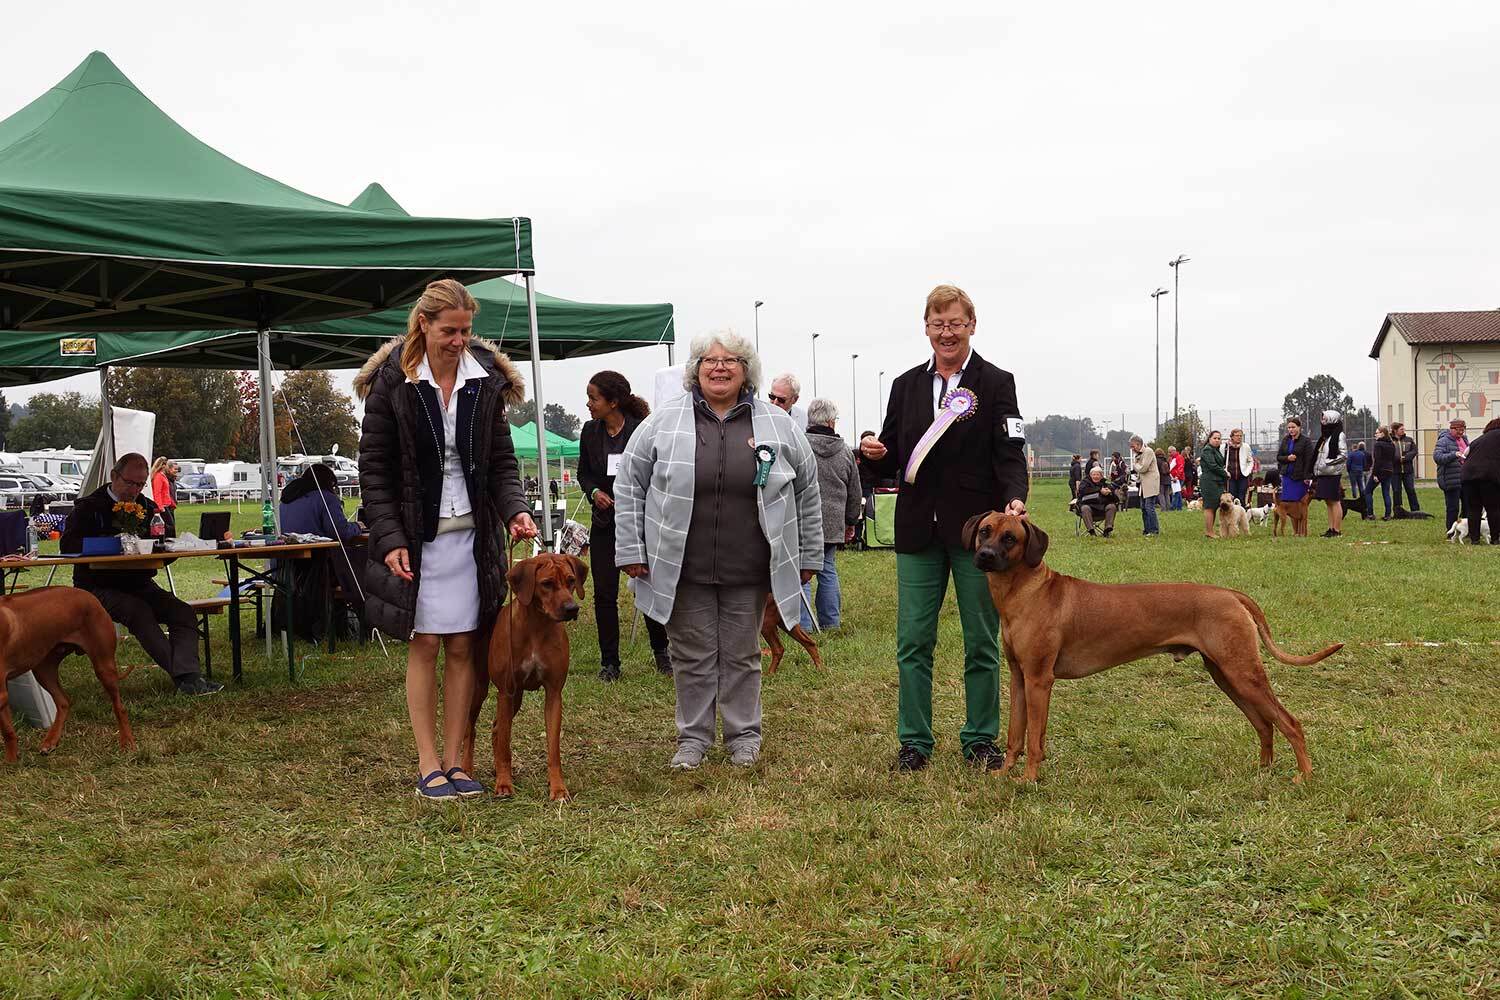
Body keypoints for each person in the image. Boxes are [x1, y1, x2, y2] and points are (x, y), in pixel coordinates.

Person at [355, 279, 538, 802]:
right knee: (426, 642)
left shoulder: (484, 381)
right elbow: (375, 471)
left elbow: (502, 461)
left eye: (466, 330)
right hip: (417, 538)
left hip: (472, 537)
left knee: (463, 645)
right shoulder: (394, 382)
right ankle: (428, 763)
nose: (460, 341)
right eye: (449, 331)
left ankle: (457, 760)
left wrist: (516, 511)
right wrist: (389, 537)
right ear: (424, 325)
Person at [615, 331, 821, 771]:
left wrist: (808, 555)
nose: (719, 367)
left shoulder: (778, 423)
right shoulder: (662, 421)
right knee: (691, 656)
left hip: (749, 566)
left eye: (731, 360)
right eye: (709, 360)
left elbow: (807, 489)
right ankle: (693, 740)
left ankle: (744, 737)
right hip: (680, 564)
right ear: (696, 369)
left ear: (747, 370)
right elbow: (629, 483)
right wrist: (630, 547)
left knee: (743, 654)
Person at [858, 284, 1028, 772]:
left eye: (955, 322)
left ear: (972, 324)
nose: (946, 332)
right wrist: (874, 452)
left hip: (979, 537)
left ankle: (979, 739)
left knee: (981, 640)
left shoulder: (997, 382)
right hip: (917, 531)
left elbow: (1009, 451)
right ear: (926, 328)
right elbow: (891, 453)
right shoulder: (905, 385)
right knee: (913, 641)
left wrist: (1015, 499)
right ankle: (914, 742)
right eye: (938, 324)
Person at [60, 453, 221, 695]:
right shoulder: (89, 507)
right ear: (114, 476)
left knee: (182, 612)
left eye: (140, 484)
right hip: (96, 586)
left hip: (139, 584)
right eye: (130, 483)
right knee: (138, 611)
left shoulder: (147, 507)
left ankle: (188, 677)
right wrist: (108, 544)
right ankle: (188, 679)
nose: (135, 490)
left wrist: (165, 548)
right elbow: (68, 545)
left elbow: (166, 542)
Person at [577, 370, 671, 682]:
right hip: (605, 526)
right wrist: (594, 493)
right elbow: (584, 474)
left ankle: (662, 653)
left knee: (648, 587)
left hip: (640, 524)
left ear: (613, 402)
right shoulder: (590, 432)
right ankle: (610, 663)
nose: (589, 403)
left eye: (594, 398)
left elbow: (657, 473)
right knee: (604, 594)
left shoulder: (642, 431)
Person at [277, 464, 366, 641]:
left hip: (290, 567)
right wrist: (358, 526)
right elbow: (340, 532)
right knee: (364, 563)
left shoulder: (286, 500)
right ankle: (362, 623)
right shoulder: (325, 498)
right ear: (329, 482)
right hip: (321, 567)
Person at [798, 399, 861, 630]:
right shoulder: (845, 451)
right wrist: (851, 521)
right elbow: (855, 490)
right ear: (831, 421)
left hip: (803, 520)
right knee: (827, 569)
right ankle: (830, 624)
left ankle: (803, 626)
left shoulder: (799, 445)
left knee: (801, 573)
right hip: (833, 523)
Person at [1460, 417, 1500, 544]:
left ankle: (1475, 540)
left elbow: (1465, 453)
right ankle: (1495, 539)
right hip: (1488, 475)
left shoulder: (1479, 439)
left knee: (1473, 508)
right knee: (1493, 508)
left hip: (1468, 475)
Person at [1311, 411, 1347, 538]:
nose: (1322, 421)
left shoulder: (1339, 435)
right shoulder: (1325, 437)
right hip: (1323, 473)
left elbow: (1343, 455)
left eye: (1325, 419)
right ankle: (1331, 528)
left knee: (1335, 501)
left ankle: (1337, 530)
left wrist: (1329, 462)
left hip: (1332, 473)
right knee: (1328, 502)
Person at [1433, 418, 1470, 532]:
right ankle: (1451, 531)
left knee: (1467, 506)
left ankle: (1465, 529)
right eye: (1458, 430)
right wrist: (1454, 454)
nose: (1461, 432)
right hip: (1450, 479)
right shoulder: (1443, 441)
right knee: (1453, 508)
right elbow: (1437, 457)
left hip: (1464, 477)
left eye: (1463, 430)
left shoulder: (1464, 439)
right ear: (1452, 429)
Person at [1278, 417, 1315, 507]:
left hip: (1300, 478)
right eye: (1289, 428)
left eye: (1293, 427)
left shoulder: (1306, 441)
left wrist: (1307, 476)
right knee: (1288, 504)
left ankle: (1302, 521)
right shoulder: (1285, 440)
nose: (1291, 430)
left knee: (1299, 504)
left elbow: (1309, 460)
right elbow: (1279, 457)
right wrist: (1287, 458)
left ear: (1299, 427)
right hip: (1287, 477)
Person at [1198, 430, 1227, 538]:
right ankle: (1209, 532)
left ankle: (1211, 531)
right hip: (1209, 482)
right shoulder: (1207, 450)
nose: (1217, 440)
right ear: (1209, 439)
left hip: (1217, 481)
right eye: (1215, 438)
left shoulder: (1216, 450)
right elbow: (1212, 466)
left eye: (1219, 438)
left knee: (1214, 506)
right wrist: (1225, 473)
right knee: (1209, 507)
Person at [1131, 435, 1161, 536]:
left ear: (1138, 444)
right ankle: (1147, 529)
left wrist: (1134, 465)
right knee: (1143, 507)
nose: (1132, 449)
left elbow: (1143, 468)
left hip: (1150, 483)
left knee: (1149, 507)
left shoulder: (1148, 451)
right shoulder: (1139, 454)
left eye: (1133, 446)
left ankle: (1154, 530)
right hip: (1143, 485)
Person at [1076, 466, 1118, 536]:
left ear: (1101, 476)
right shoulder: (1085, 482)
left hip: (1103, 508)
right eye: (1094, 475)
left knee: (1112, 506)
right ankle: (1091, 530)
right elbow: (1082, 491)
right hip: (1089, 507)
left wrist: (1109, 493)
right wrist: (1099, 490)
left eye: (1098, 475)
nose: (1096, 476)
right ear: (1090, 475)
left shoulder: (1106, 484)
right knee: (1084, 508)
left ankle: (1107, 529)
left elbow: (1115, 499)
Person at [856, 430, 879, 545]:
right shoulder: (860, 457)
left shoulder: (872, 456)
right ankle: (861, 537)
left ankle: (861, 537)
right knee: (864, 515)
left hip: (868, 489)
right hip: (864, 490)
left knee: (864, 515)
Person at [1391, 422, 1421, 514]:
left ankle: (1415, 510)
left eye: (1403, 429)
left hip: (1408, 470)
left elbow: (1414, 451)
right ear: (1395, 430)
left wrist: (1405, 458)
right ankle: (1398, 510)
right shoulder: (1390, 441)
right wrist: (1397, 459)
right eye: (1401, 429)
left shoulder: (1409, 440)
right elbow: (1389, 453)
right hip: (1395, 471)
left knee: (1411, 489)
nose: (1403, 431)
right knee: (1396, 490)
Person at [1371, 425, 1397, 520]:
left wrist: (1375, 474)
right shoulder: (1392, 444)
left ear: (1382, 434)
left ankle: (1369, 513)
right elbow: (1393, 458)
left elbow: (1377, 460)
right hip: (1389, 470)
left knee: (1368, 491)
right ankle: (1388, 514)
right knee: (1386, 492)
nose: (1375, 434)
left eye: (1377, 433)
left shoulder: (1378, 444)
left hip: (1380, 471)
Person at [149, 457, 178, 536]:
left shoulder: (162, 476)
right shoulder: (158, 477)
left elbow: (166, 492)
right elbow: (157, 492)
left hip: (167, 505)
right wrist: (160, 507)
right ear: (163, 465)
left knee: (170, 526)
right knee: (169, 527)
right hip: (163, 507)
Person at [1225, 428, 1254, 505]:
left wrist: (1248, 471)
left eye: (1241, 436)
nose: (1239, 437)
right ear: (1232, 437)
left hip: (1243, 476)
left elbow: (1250, 461)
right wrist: (1225, 471)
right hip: (1230, 477)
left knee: (1242, 497)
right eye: (1237, 435)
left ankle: (1242, 514)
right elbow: (1222, 461)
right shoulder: (1225, 447)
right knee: (1232, 497)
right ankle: (1232, 515)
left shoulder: (1246, 447)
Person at [1346, 441, 1370, 520]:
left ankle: (1354, 496)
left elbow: (1348, 463)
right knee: (1361, 484)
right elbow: (1364, 462)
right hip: (1360, 470)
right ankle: (1362, 496)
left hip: (1352, 470)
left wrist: (1348, 470)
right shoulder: (1362, 454)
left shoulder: (1351, 454)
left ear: (1353, 448)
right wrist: (1362, 468)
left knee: (1353, 485)